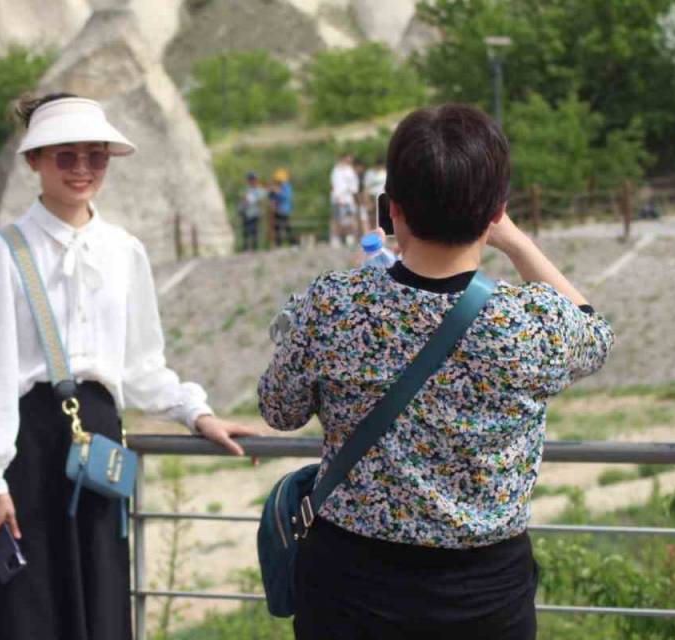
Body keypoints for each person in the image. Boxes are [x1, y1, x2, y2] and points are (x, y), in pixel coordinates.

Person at [259, 104, 615, 639]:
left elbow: (279, 410)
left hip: (350, 590)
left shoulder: (333, 304)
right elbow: (597, 333)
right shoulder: (529, 323)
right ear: (496, 211)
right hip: (484, 598)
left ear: (391, 210)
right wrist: (515, 241)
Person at [0, 93, 257, 640]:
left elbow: (141, 365)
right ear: (33, 162)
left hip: (98, 449)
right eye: (65, 156)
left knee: (98, 601)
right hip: (25, 451)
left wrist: (195, 413)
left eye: (96, 156)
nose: (83, 169)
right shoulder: (3, 253)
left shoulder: (124, 250)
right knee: (23, 610)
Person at [329, 153, 361, 247]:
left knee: (350, 218)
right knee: (336, 219)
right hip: (337, 199)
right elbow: (333, 185)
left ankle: (350, 237)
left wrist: (355, 199)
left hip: (349, 199)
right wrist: (337, 197)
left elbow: (354, 187)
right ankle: (335, 238)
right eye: (347, 159)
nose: (349, 161)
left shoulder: (350, 171)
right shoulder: (336, 170)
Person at [238, 172, 267, 251]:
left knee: (254, 231)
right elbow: (242, 200)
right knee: (246, 231)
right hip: (246, 213)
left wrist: (250, 199)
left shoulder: (260, 190)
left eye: (254, 179)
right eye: (251, 180)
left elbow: (261, 199)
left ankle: (255, 248)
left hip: (255, 213)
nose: (253, 181)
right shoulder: (245, 189)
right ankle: (245, 247)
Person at [269, 168, 294, 247]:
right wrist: (272, 191)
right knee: (277, 228)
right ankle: (277, 244)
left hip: (284, 210)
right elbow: (271, 197)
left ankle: (293, 243)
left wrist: (278, 192)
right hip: (276, 210)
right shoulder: (276, 186)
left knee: (287, 227)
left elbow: (286, 197)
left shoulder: (286, 186)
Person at [361, 158, 387, 232]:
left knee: (381, 217)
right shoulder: (370, 173)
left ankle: (382, 233)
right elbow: (366, 188)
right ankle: (371, 232)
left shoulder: (384, 173)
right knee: (371, 216)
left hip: (382, 197)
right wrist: (367, 200)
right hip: (372, 196)